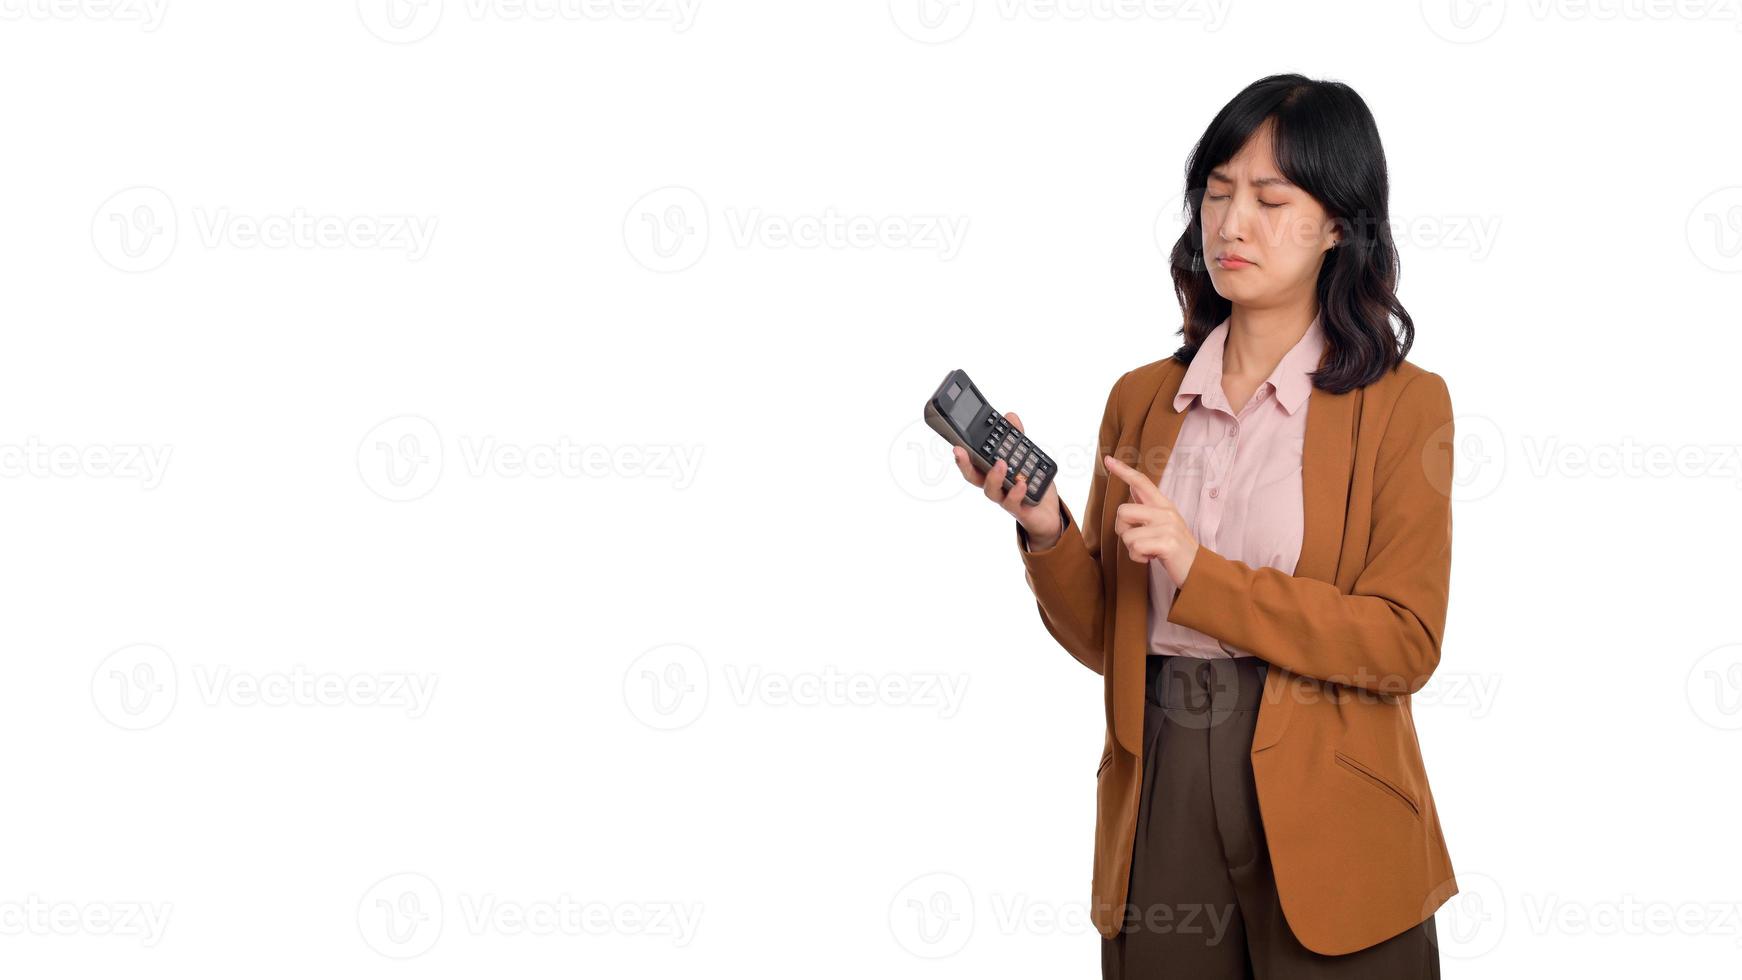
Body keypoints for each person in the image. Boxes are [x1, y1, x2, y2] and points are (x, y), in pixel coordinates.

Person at [952, 73, 1457, 978]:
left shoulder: (1404, 407)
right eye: (1217, 194)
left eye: (1270, 199)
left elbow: (1405, 641)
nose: (1232, 225)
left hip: (1333, 786)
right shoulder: (1143, 398)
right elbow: (1106, 634)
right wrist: (1044, 528)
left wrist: (1201, 572)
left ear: (1340, 223)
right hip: (1163, 778)